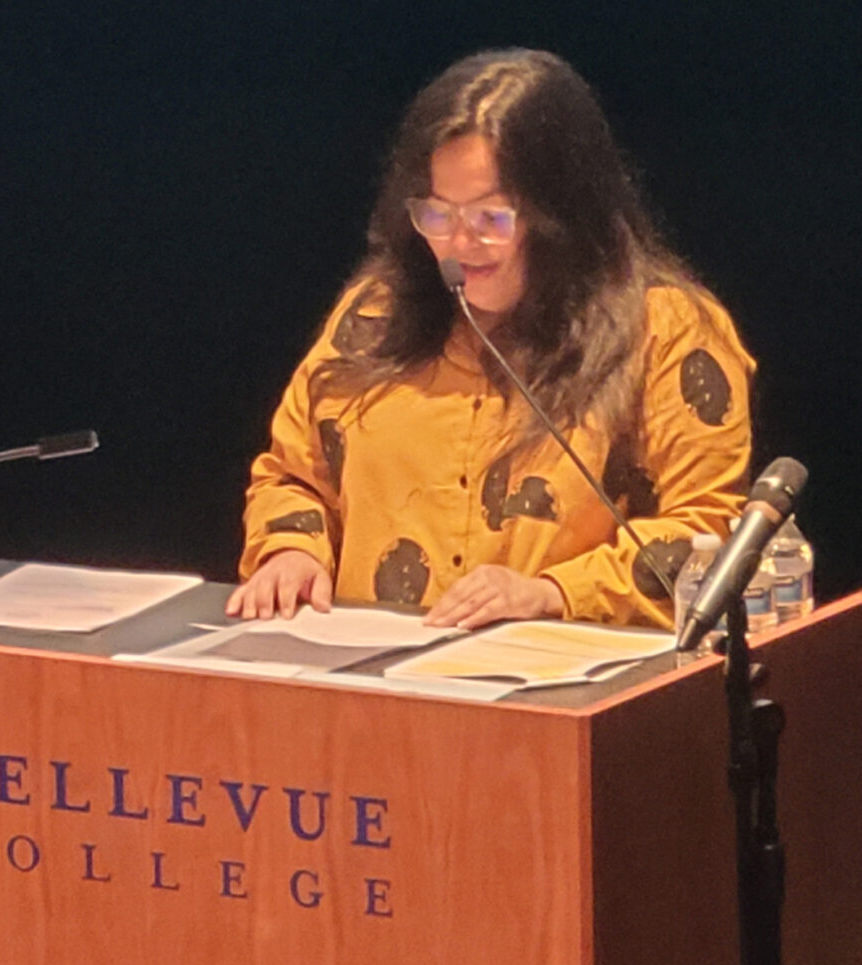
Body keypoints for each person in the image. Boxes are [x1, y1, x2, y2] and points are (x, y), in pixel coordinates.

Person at [225, 49, 754, 630]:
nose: (458, 245)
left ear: (562, 218)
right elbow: (292, 475)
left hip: (567, 691)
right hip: (374, 689)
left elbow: (713, 533)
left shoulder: (667, 333)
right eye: (437, 215)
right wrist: (292, 550)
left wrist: (552, 593)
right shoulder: (376, 314)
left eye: (490, 220)